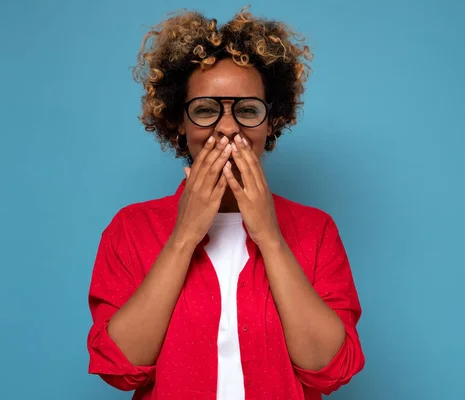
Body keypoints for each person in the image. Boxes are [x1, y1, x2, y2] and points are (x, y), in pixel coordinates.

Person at [86, 7, 364, 400]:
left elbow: (329, 370)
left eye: (248, 110)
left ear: (272, 122)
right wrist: (183, 236)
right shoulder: (132, 228)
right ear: (178, 124)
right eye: (205, 110)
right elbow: (118, 367)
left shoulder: (315, 230)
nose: (228, 127)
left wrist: (270, 236)